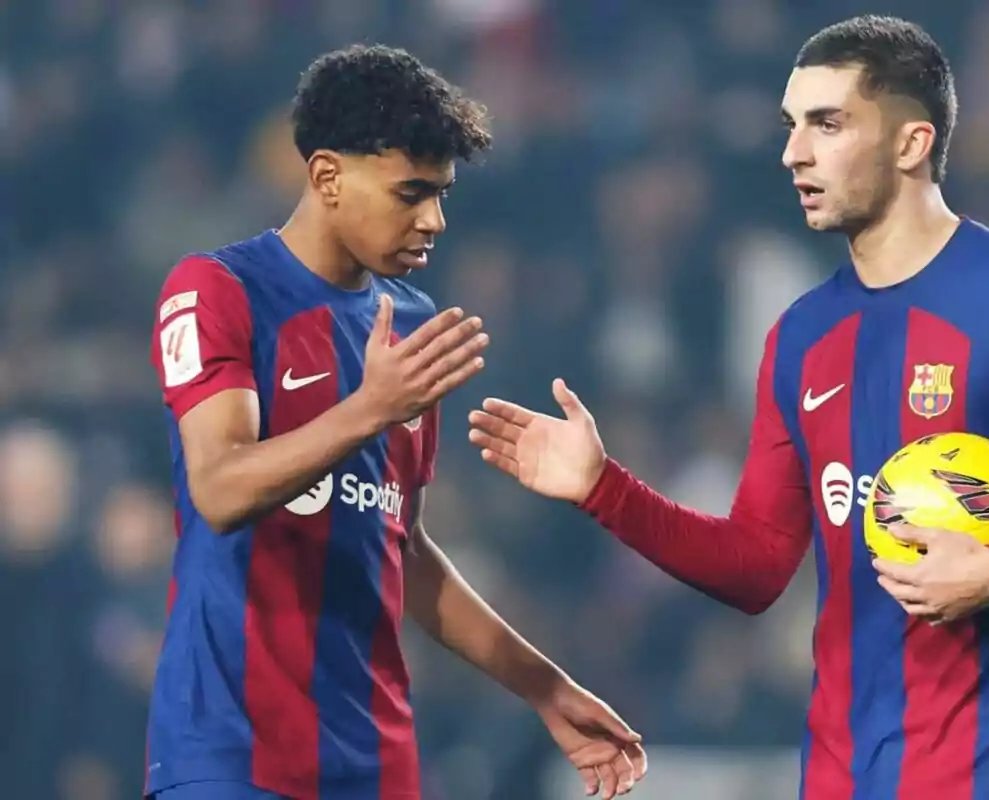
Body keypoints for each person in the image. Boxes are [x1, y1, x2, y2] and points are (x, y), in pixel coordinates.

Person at [467, 15, 989, 800]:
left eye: (827, 124)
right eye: (791, 125)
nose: (793, 152)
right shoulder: (802, 335)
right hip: (839, 777)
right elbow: (758, 565)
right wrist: (605, 489)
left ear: (910, 144)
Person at [146, 45, 646, 800]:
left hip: (378, 764)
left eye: (441, 194)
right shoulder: (218, 289)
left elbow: (400, 548)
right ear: (326, 178)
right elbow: (219, 487)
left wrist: (545, 688)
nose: (434, 219)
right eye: (410, 192)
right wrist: (370, 409)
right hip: (231, 756)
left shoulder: (410, 328)